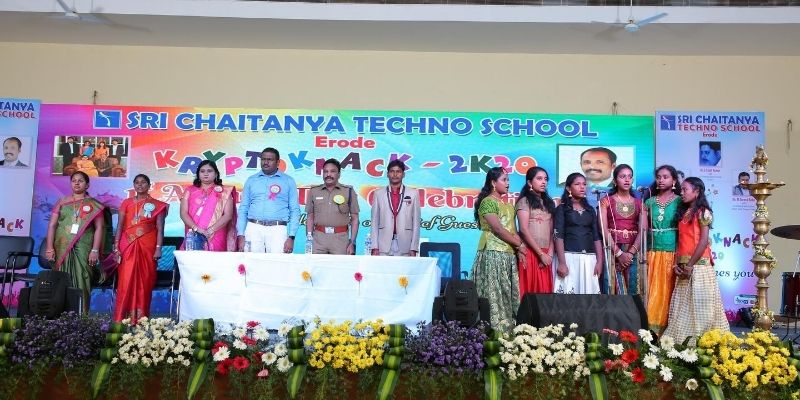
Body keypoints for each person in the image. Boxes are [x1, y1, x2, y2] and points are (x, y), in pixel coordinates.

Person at [663, 177, 729, 343]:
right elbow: (680, 242)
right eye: (681, 189)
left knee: (702, 309)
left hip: (699, 268)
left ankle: (704, 343)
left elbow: (703, 241)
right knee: (683, 309)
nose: (681, 193)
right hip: (684, 268)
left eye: (685, 189)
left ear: (697, 191)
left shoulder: (703, 212)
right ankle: (682, 345)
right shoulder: (684, 214)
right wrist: (677, 265)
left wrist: (690, 265)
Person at [44, 171, 108, 313]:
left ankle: (81, 317)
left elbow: (100, 228)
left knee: (82, 280)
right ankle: (59, 318)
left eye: (81, 181)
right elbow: (52, 225)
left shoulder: (94, 205)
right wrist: (49, 248)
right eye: (74, 181)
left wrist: (95, 250)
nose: (77, 183)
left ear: (87, 185)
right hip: (62, 247)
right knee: (61, 281)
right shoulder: (62, 202)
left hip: (84, 249)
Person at [472, 167, 526, 328]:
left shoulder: (508, 205)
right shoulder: (488, 202)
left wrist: (519, 249)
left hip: (508, 254)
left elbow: (513, 230)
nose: (508, 183)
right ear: (493, 183)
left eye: (508, 180)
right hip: (493, 253)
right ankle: (494, 329)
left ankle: (509, 327)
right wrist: (519, 245)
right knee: (493, 293)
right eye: (504, 180)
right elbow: (498, 229)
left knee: (506, 293)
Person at [113, 174, 167, 323]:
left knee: (144, 283)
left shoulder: (158, 205)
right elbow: (120, 226)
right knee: (125, 281)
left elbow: (160, 229)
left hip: (147, 247)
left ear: (149, 185)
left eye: (143, 182)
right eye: (137, 182)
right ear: (134, 185)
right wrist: (116, 246)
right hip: (127, 246)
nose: (140, 185)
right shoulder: (126, 203)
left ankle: (141, 320)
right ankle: (121, 320)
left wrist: (158, 248)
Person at [236, 147, 300, 253]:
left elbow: (295, 210)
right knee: (252, 260)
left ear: (278, 162)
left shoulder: (288, 181)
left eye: (270, 160)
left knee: (278, 261)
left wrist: (291, 236)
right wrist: (241, 234)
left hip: (278, 229)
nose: (265, 162)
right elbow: (243, 208)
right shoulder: (251, 180)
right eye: (263, 159)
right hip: (253, 227)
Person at [642, 165, 681, 334]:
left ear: (674, 180)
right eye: (658, 177)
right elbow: (643, 229)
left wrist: (680, 256)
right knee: (651, 291)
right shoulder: (649, 202)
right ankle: (648, 330)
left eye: (665, 177)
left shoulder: (680, 201)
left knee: (667, 291)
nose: (661, 180)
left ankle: (666, 331)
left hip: (671, 252)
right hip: (651, 252)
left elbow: (684, 230)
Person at [554, 173, 603, 295]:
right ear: (568, 188)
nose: (582, 187)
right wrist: (562, 263)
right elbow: (558, 236)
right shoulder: (562, 209)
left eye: (584, 184)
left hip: (589, 260)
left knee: (588, 299)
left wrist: (599, 261)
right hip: (569, 258)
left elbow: (596, 237)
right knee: (568, 299)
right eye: (577, 184)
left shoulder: (590, 210)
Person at [599, 164, 642, 295]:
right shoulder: (605, 201)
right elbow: (603, 229)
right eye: (623, 176)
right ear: (614, 180)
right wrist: (619, 254)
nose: (627, 180)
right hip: (612, 249)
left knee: (633, 286)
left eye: (630, 176)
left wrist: (630, 254)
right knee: (613, 288)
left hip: (633, 250)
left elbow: (643, 231)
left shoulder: (640, 203)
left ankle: (632, 310)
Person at [515, 166, 557, 295]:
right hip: (531, 252)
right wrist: (540, 254)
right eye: (539, 179)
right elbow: (523, 229)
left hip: (546, 254)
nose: (544, 182)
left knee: (544, 295)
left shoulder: (549, 203)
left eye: (545, 179)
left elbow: (553, 231)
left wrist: (549, 254)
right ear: (529, 182)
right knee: (529, 293)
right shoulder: (524, 201)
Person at [180, 160, 238, 251]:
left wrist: (210, 231)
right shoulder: (189, 190)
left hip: (216, 233)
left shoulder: (224, 192)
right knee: (192, 258)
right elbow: (183, 213)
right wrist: (196, 229)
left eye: (209, 171)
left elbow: (228, 215)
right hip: (194, 232)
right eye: (202, 171)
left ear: (216, 174)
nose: (206, 174)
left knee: (215, 259)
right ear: (198, 174)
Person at [305, 158, 359, 255]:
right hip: (318, 240)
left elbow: (355, 219)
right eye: (325, 171)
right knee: (316, 265)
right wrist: (309, 240)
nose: (328, 174)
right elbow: (310, 217)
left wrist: (352, 242)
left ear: (339, 174)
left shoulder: (348, 191)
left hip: (341, 240)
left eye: (332, 171)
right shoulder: (314, 191)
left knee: (339, 265)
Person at [369, 160, 421, 256]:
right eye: (392, 171)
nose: (395, 174)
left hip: (405, 245)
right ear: (387, 174)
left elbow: (416, 223)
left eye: (398, 171)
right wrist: (374, 246)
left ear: (403, 174)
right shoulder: (378, 193)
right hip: (383, 245)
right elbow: (374, 222)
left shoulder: (413, 193)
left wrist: (414, 247)